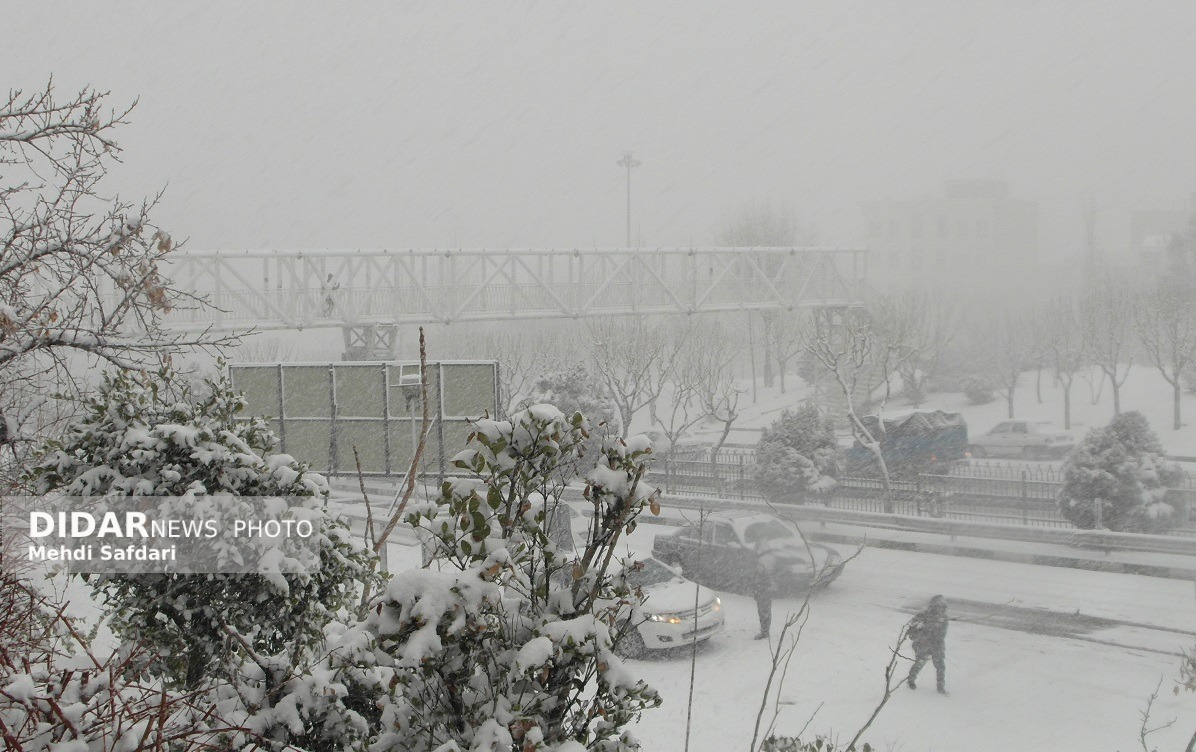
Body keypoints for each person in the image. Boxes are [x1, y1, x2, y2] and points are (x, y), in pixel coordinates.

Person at [906, 594, 949, 694]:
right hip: (923, 645)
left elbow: (942, 634)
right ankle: (911, 680)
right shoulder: (922, 616)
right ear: (934, 606)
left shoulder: (944, 619)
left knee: (940, 667)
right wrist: (922, 636)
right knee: (919, 663)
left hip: (937, 646)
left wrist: (936, 641)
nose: (941, 610)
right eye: (939, 607)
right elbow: (912, 632)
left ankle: (940, 687)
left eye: (943, 608)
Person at [752, 551, 775, 640]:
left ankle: (764, 632)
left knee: (763, 612)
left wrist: (757, 590)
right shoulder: (764, 564)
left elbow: (758, 580)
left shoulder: (760, 566)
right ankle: (766, 631)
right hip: (766, 591)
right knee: (767, 611)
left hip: (763, 591)